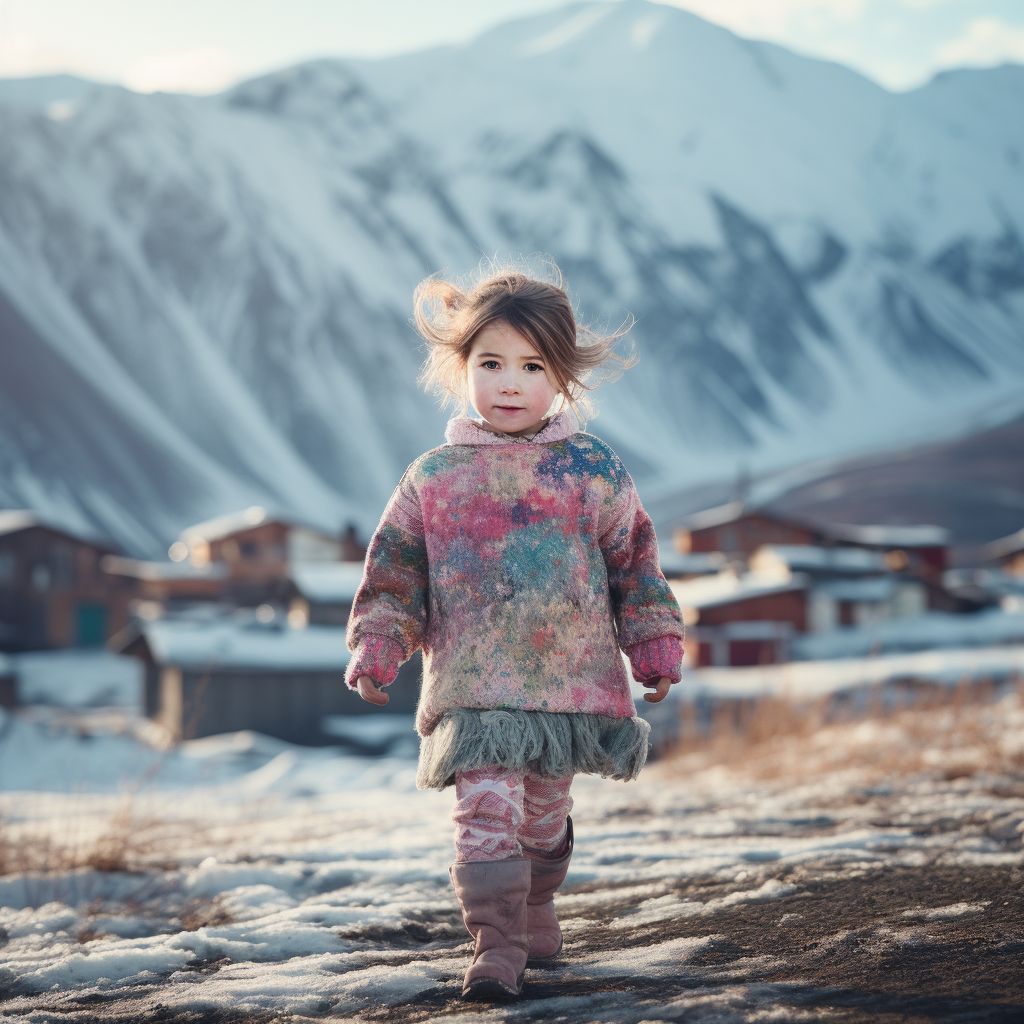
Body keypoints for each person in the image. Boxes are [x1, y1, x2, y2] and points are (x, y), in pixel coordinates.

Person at [345, 265, 686, 1001]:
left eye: (532, 366)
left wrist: (653, 642)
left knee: (542, 815)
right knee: (485, 813)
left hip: (566, 684)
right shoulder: (433, 477)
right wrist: (379, 645)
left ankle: (536, 901)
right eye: (490, 363)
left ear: (562, 376)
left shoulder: (591, 469)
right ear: (459, 368)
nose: (509, 382)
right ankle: (495, 946)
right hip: (475, 686)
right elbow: (395, 577)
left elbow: (633, 562)